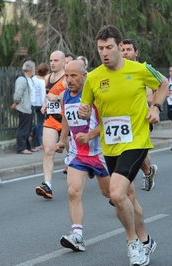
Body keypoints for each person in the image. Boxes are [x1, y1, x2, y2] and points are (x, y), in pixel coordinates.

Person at [78, 25, 168, 266]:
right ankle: (146, 240)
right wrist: (84, 112)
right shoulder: (93, 77)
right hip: (110, 145)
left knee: (116, 193)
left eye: (109, 47)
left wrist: (156, 107)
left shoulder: (139, 69)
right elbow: (86, 111)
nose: (105, 52)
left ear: (120, 47)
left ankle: (133, 243)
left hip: (136, 140)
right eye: (100, 49)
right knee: (126, 197)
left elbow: (164, 83)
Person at [54, 60, 111, 251]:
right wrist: (62, 140)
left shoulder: (95, 95)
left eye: (73, 76)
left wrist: (90, 135)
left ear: (84, 76)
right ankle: (77, 236)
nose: (69, 80)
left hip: (99, 153)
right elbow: (66, 119)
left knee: (111, 194)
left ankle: (136, 228)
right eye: (66, 76)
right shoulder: (65, 96)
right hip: (77, 154)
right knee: (73, 191)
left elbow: (108, 122)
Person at [120, 38, 160, 191]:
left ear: (136, 52)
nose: (125, 53)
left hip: (142, 118)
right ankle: (148, 171)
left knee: (135, 151)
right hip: (121, 120)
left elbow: (160, 86)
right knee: (129, 152)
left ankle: (122, 188)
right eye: (122, 50)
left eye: (128, 50)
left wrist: (154, 108)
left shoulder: (142, 70)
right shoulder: (115, 70)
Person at [35, 51, 68, 199]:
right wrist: (45, 105)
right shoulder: (47, 78)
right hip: (51, 120)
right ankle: (47, 185)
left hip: (68, 121)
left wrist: (58, 97)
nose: (53, 63)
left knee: (75, 154)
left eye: (56, 60)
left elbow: (73, 94)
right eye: (51, 60)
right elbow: (47, 95)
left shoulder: (67, 78)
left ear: (63, 62)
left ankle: (91, 167)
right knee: (48, 150)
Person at [11, 61, 37, 154]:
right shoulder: (22, 79)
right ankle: (21, 148)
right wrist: (17, 102)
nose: (35, 70)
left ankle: (27, 147)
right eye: (34, 68)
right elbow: (18, 93)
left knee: (28, 128)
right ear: (30, 69)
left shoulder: (29, 78)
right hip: (24, 107)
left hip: (30, 106)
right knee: (23, 128)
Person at [31, 63, 50, 150]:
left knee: (39, 121)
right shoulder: (43, 82)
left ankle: (33, 131)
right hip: (41, 104)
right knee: (41, 123)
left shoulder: (34, 78)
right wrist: (44, 105)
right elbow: (43, 94)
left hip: (34, 103)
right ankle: (37, 143)